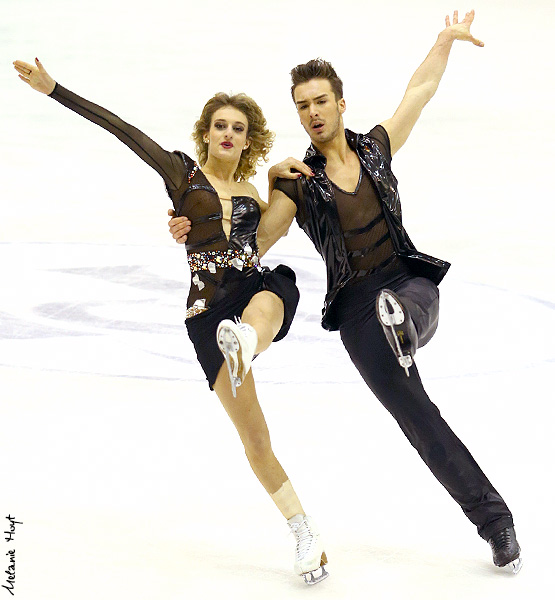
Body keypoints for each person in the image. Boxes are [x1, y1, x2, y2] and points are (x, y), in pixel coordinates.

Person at [168, 10, 522, 573]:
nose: (312, 113)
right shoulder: (298, 183)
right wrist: (196, 224)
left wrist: (443, 40)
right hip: (358, 312)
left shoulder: (377, 148)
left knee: (407, 305)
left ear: (339, 103)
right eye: (302, 105)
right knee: (419, 420)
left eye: (320, 101)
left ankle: (399, 321)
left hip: (408, 283)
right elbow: (254, 239)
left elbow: (420, 92)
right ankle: (497, 523)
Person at [13, 58, 328, 585]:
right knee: (256, 441)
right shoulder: (183, 175)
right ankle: (304, 529)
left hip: (251, 291)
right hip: (208, 315)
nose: (228, 133)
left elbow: (275, 227)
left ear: (248, 140)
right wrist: (54, 90)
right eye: (220, 125)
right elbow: (124, 132)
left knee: (273, 289)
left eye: (239, 128)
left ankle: (246, 341)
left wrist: (275, 177)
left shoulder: (253, 194)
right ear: (206, 133)